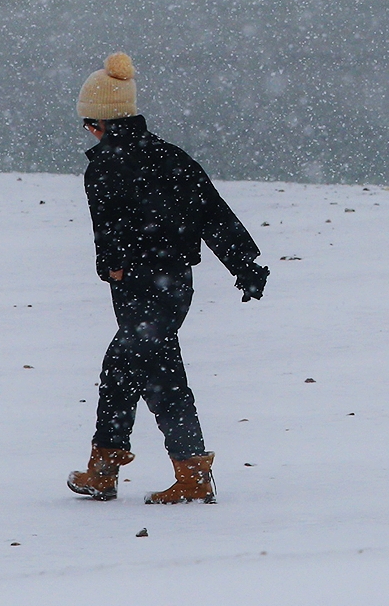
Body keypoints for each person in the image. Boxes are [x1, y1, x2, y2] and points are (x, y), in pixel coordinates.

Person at [67, 52, 269, 505]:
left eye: (87, 123)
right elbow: (213, 215)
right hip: (172, 285)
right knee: (142, 374)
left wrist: (111, 266)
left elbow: (109, 229)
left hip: (144, 289)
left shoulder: (102, 167)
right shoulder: (171, 157)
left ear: (99, 121)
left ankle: (145, 469)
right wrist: (245, 265)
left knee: (139, 373)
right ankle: (141, 469)